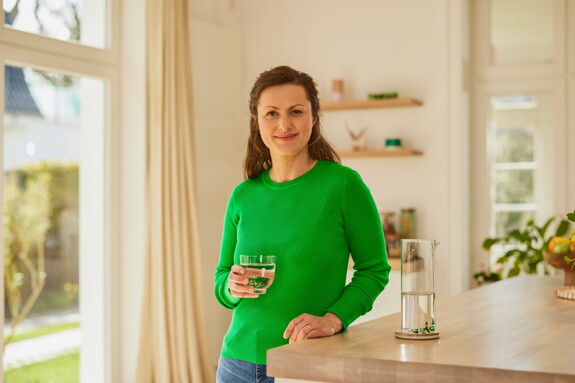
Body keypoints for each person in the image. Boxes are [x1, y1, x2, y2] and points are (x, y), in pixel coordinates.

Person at [214, 65, 391, 383]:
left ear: (314, 117)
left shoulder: (343, 185)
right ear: (256, 121)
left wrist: (334, 319)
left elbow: (376, 270)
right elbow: (221, 280)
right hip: (237, 363)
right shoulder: (243, 195)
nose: (283, 124)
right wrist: (231, 286)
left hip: (309, 362)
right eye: (271, 113)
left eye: (296, 111)